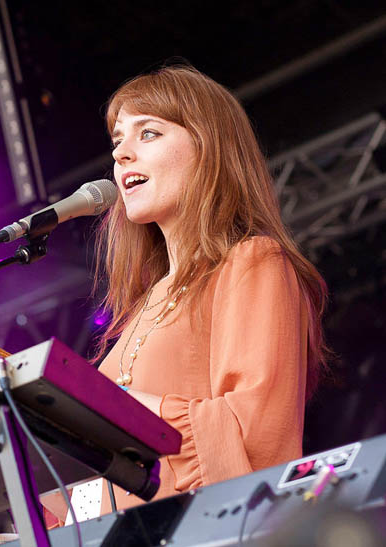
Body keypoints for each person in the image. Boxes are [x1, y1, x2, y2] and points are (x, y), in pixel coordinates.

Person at [44, 64, 330, 523]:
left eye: (149, 133)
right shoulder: (141, 307)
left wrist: (114, 410)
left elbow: (256, 433)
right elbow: (87, 487)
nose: (121, 154)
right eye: (118, 140)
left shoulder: (253, 260)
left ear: (209, 148)